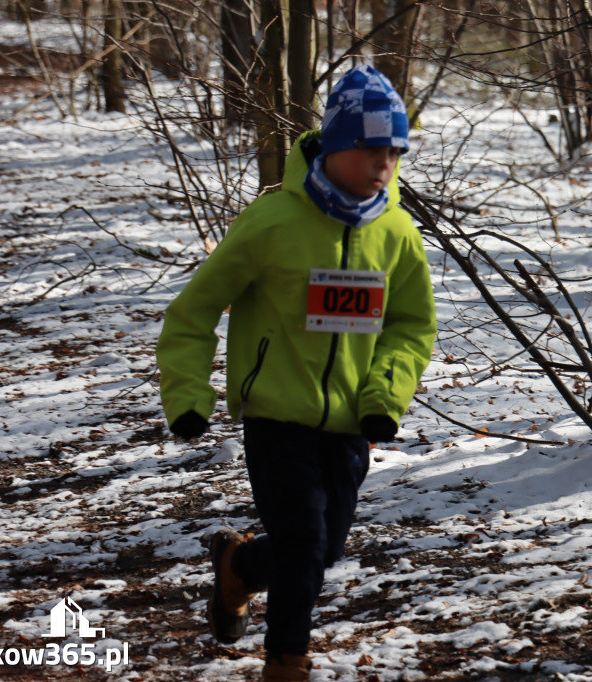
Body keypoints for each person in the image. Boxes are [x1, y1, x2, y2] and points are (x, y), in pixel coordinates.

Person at [155, 65, 437, 681]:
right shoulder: (272, 223)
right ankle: (286, 663)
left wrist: (384, 396)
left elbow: (412, 327)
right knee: (306, 544)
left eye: (394, 151)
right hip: (275, 416)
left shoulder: (396, 233)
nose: (383, 165)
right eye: (369, 149)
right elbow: (194, 311)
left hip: (351, 424)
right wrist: (188, 393)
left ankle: (238, 567)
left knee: (320, 551)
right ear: (334, 146)